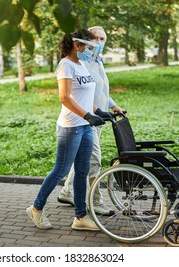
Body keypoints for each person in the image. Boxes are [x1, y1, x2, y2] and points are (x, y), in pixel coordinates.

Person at [26, 29, 106, 231]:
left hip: (85, 127)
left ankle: (80, 217)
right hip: (71, 127)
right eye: (87, 46)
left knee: (82, 171)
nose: (89, 50)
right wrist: (87, 115)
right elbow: (65, 97)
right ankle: (36, 208)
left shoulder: (81, 65)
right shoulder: (65, 66)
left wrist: (99, 112)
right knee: (60, 170)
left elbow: (86, 96)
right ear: (77, 45)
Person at [57, 26, 124, 216]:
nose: (100, 42)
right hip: (85, 120)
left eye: (103, 39)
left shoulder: (98, 62)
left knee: (82, 160)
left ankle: (68, 192)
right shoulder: (81, 62)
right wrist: (90, 114)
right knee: (94, 161)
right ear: (86, 41)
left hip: (98, 118)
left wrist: (113, 106)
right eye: (96, 38)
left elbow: (100, 90)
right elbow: (76, 95)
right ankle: (96, 201)